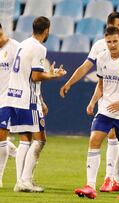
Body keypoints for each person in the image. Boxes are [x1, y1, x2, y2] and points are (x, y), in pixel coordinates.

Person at [60, 11, 119, 192]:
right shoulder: (101, 55)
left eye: (116, 40)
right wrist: (90, 101)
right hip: (106, 107)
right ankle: (94, 184)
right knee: (96, 140)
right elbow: (99, 82)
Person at [0, 16, 67, 192]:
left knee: (25, 140)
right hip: (28, 101)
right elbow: (36, 76)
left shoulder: (22, 44)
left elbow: (29, 73)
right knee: (40, 140)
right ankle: (26, 180)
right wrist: (53, 75)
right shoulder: (39, 48)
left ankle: (20, 182)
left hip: (15, 98)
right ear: (47, 30)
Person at [0, 23, 19, 188]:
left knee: (1, 136)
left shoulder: (15, 48)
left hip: (7, 99)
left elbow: (27, 74)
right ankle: (17, 153)